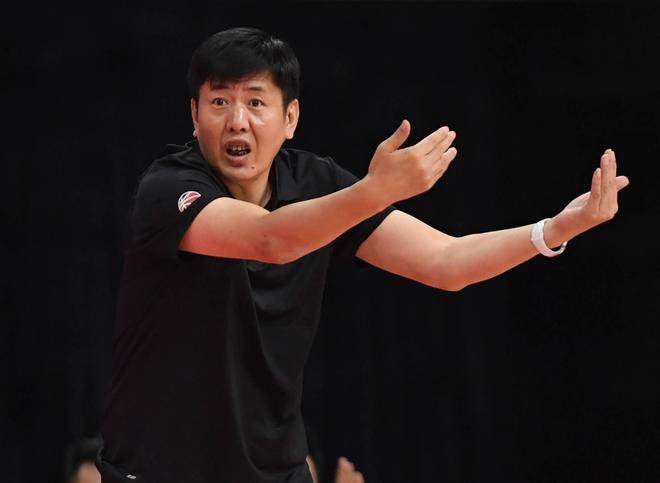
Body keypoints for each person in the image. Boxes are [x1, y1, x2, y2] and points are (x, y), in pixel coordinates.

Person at [96, 27, 629, 483]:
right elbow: (269, 240)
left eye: (256, 102)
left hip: (275, 471)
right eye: (219, 102)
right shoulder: (168, 189)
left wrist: (552, 231)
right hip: (160, 469)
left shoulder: (316, 182)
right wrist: (375, 191)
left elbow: (446, 262)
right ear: (194, 115)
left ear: (290, 118)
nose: (238, 120)